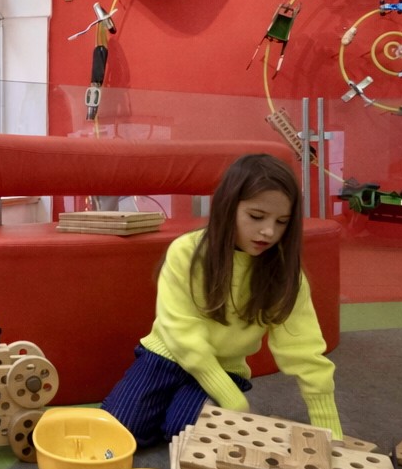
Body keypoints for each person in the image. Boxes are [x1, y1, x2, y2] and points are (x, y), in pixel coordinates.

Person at [101, 153, 342, 446]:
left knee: (183, 429)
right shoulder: (186, 252)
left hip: (225, 367)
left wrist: (329, 429)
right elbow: (181, 333)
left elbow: (303, 349)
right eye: (256, 217)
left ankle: (179, 409)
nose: (269, 231)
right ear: (228, 207)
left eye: (282, 222)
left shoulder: (285, 275)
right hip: (167, 355)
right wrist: (232, 401)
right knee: (120, 430)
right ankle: (174, 407)